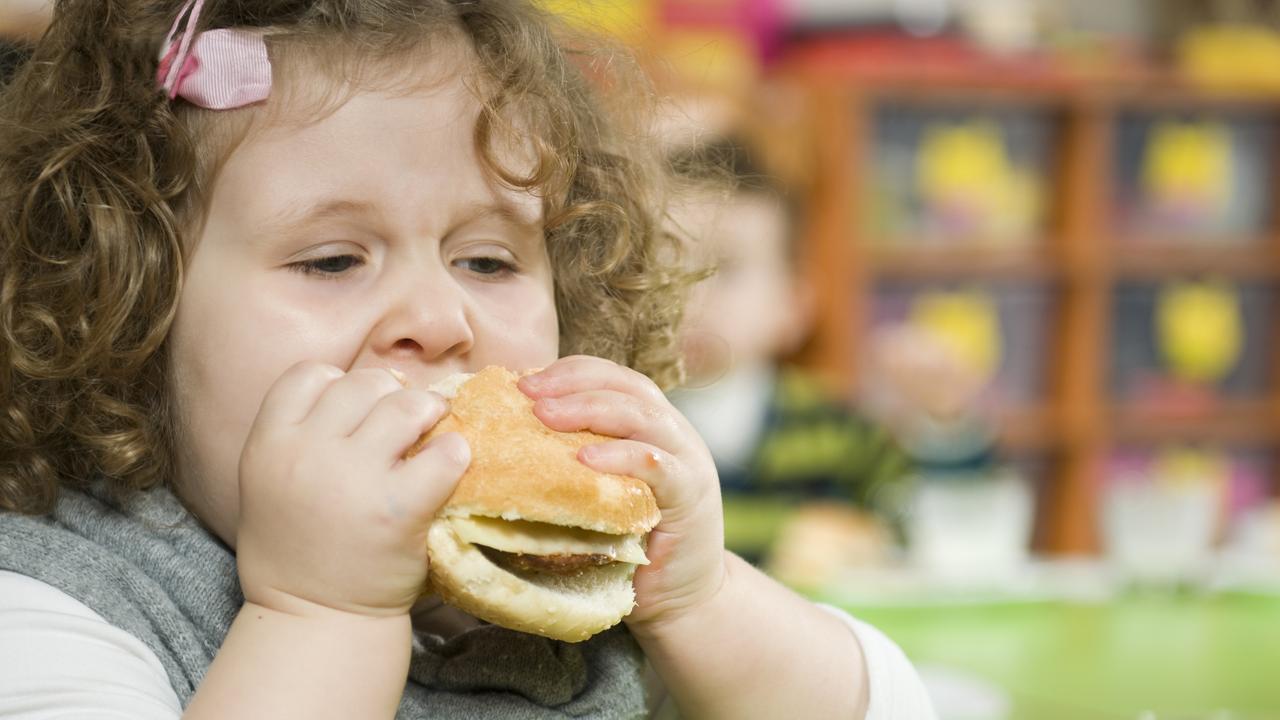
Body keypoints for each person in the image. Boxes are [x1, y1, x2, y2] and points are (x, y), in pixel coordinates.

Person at [0, 2, 935, 718]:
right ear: (126, 310)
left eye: (487, 261)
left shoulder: (570, 582)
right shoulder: (51, 604)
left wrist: (700, 596)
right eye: (332, 260)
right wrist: (322, 615)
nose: (438, 319)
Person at [668, 138, 912, 570]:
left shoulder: (836, 428)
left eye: (724, 267)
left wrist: (944, 424)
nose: (690, 297)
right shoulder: (625, 419)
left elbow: (914, 517)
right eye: (665, 265)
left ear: (792, 306)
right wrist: (786, 533)